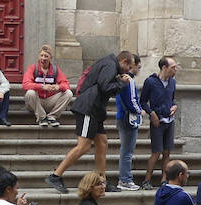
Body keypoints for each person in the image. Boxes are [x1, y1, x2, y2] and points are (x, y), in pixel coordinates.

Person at [47, 50, 136, 193]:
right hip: (88, 108)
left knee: (102, 143)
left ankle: (102, 181)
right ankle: (55, 175)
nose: (129, 71)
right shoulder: (110, 65)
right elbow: (105, 86)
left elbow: (104, 87)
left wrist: (118, 82)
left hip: (96, 110)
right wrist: (122, 82)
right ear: (124, 61)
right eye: (129, 67)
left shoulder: (109, 63)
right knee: (83, 146)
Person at [140, 56, 179, 189]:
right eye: (173, 67)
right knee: (156, 151)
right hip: (157, 121)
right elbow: (143, 101)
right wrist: (151, 113)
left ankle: (164, 179)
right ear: (164, 67)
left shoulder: (173, 82)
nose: (175, 70)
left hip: (169, 120)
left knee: (167, 152)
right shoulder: (150, 82)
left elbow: (172, 99)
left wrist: (174, 106)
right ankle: (147, 179)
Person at [21, 44, 74, 126]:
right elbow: (25, 84)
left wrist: (58, 87)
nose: (43, 58)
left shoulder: (55, 69)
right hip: (35, 102)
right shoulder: (33, 68)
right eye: (41, 55)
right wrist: (42, 87)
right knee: (30, 93)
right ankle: (42, 118)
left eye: (46, 56)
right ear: (39, 56)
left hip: (49, 101)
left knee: (68, 93)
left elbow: (66, 84)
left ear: (50, 58)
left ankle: (52, 117)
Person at [115, 54, 144, 191]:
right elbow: (132, 100)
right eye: (139, 66)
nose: (139, 69)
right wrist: (140, 111)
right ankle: (125, 180)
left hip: (122, 116)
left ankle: (125, 179)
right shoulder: (129, 80)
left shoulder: (122, 79)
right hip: (128, 118)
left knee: (125, 150)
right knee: (127, 152)